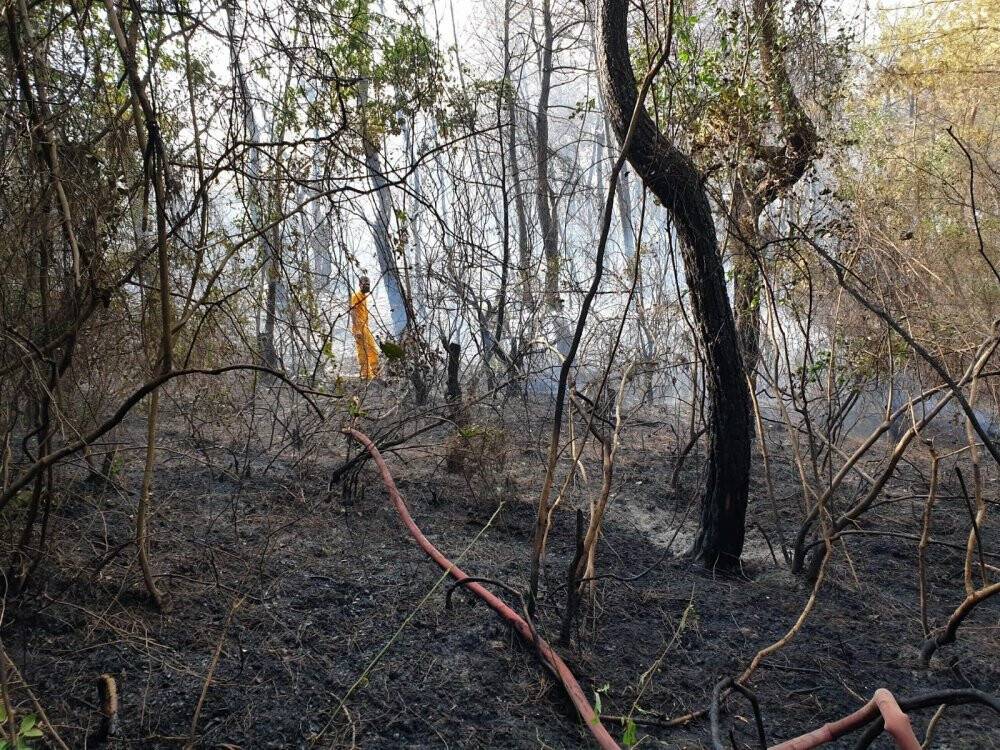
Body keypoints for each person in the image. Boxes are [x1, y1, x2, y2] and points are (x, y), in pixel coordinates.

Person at [350, 275, 379, 380]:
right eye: (365, 284)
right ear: (359, 284)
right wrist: (356, 329)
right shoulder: (355, 296)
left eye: (368, 284)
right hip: (359, 328)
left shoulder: (364, 297)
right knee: (363, 351)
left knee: (372, 349)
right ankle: (366, 375)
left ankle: (375, 372)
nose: (367, 286)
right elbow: (352, 311)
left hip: (365, 327)